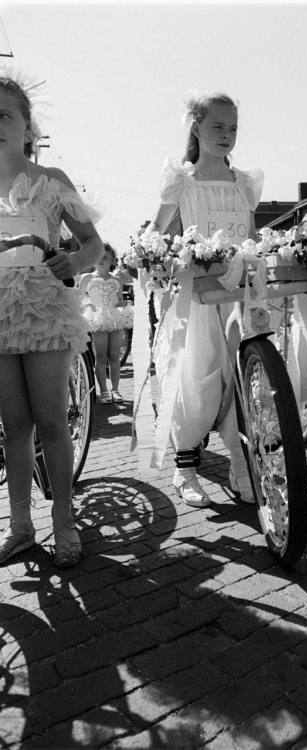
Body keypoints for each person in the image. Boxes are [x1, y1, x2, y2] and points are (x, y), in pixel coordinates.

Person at [0, 70, 104, 567]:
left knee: (50, 421)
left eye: (5, 114)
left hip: (45, 313)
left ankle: (64, 519)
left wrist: (74, 261)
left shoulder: (52, 182)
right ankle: (21, 527)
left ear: (27, 127)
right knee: (13, 425)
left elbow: (93, 244)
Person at [146, 91, 263, 507]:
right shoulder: (182, 181)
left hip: (240, 299)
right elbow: (157, 234)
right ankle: (186, 466)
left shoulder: (244, 184)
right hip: (197, 298)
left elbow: (249, 239)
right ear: (196, 127)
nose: (227, 135)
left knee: (242, 378)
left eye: (233, 128)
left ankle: (239, 459)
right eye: (218, 126)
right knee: (197, 377)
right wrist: (163, 257)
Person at [78, 242, 133, 403]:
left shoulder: (116, 279)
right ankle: (103, 391)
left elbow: (120, 299)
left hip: (114, 318)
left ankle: (116, 390)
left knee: (115, 355)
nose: (101, 260)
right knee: (101, 356)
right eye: (99, 257)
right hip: (98, 318)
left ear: (112, 261)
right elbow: (80, 297)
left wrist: (121, 307)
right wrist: (88, 306)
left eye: (106, 257)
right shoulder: (88, 277)